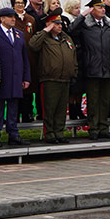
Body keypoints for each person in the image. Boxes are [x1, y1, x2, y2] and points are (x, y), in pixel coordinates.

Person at [69, 0, 110, 140]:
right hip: (92, 67)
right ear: (92, 9)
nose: (103, 9)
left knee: (105, 101)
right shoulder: (85, 25)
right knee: (93, 101)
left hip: (107, 67)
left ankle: (103, 127)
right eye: (99, 7)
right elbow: (71, 30)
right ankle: (93, 128)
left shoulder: (109, 26)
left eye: (103, 7)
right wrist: (82, 15)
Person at [29, 11, 78, 144]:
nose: (60, 26)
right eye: (56, 23)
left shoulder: (66, 38)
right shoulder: (44, 38)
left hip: (65, 78)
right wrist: (46, 30)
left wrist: (74, 71)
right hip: (50, 79)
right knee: (50, 109)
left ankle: (59, 132)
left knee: (61, 109)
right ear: (49, 24)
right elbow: (33, 44)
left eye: (60, 23)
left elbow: (73, 54)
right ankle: (50, 134)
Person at [0, 7, 30, 146]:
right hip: (1, 77)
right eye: (10, 17)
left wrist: (26, 77)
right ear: (2, 19)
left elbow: (24, 57)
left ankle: (13, 134)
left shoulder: (19, 34)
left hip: (16, 77)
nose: (13, 19)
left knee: (13, 108)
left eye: (14, 17)